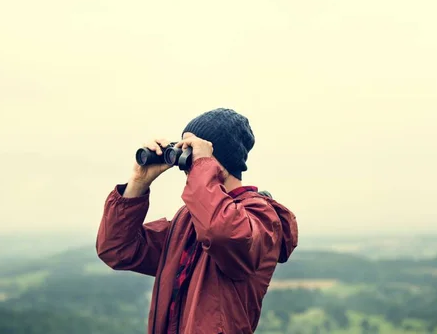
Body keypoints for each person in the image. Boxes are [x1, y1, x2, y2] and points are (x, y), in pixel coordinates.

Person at [96, 108, 298, 334]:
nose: (186, 162)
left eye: (191, 151)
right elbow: (118, 249)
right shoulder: (188, 222)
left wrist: (203, 163)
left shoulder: (261, 216)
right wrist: (138, 182)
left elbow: (223, 233)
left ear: (218, 158)